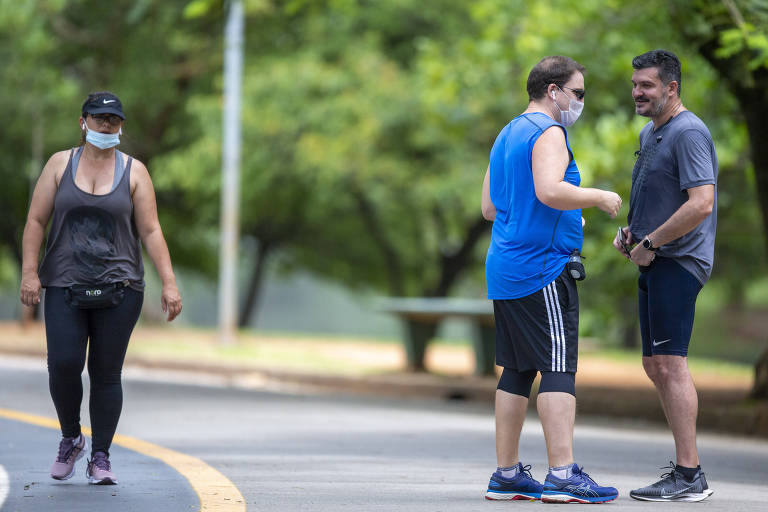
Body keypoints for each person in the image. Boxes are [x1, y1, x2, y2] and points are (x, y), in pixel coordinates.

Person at [19, 91, 182, 485]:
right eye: (98, 119)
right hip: (63, 283)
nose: (106, 126)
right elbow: (36, 220)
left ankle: (101, 457)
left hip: (120, 286)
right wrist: (29, 272)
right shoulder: (60, 165)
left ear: (121, 126)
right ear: (83, 122)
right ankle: (71, 437)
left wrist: (170, 282)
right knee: (63, 364)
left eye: (113, 121)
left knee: (106, 373)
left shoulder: (135, 171)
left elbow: (151, 229)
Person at [482, 56, 621, 503]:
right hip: (542, 268)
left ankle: (506, 474)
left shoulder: (506, 134)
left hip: (505, 266)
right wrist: (598, 196)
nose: (580, 102)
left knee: (517, 371)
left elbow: (489, 207)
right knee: (558, 366)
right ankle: (562, 475)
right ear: (553, 90)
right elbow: (549, 189)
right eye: (577, 93)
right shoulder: (549, 132)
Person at [613, 49, 716, 502]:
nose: (638, 92)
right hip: (654, 256)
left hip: (678, 260)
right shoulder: (651, 131)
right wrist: (633, 234)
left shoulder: (690, 131)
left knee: (671, 364)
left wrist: (652, 243)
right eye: (636, 84)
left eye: (647, 85)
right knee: (654, 364)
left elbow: (701, 203)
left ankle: (690, 475)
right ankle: (684, 472)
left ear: (671, 88)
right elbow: (660, 196)